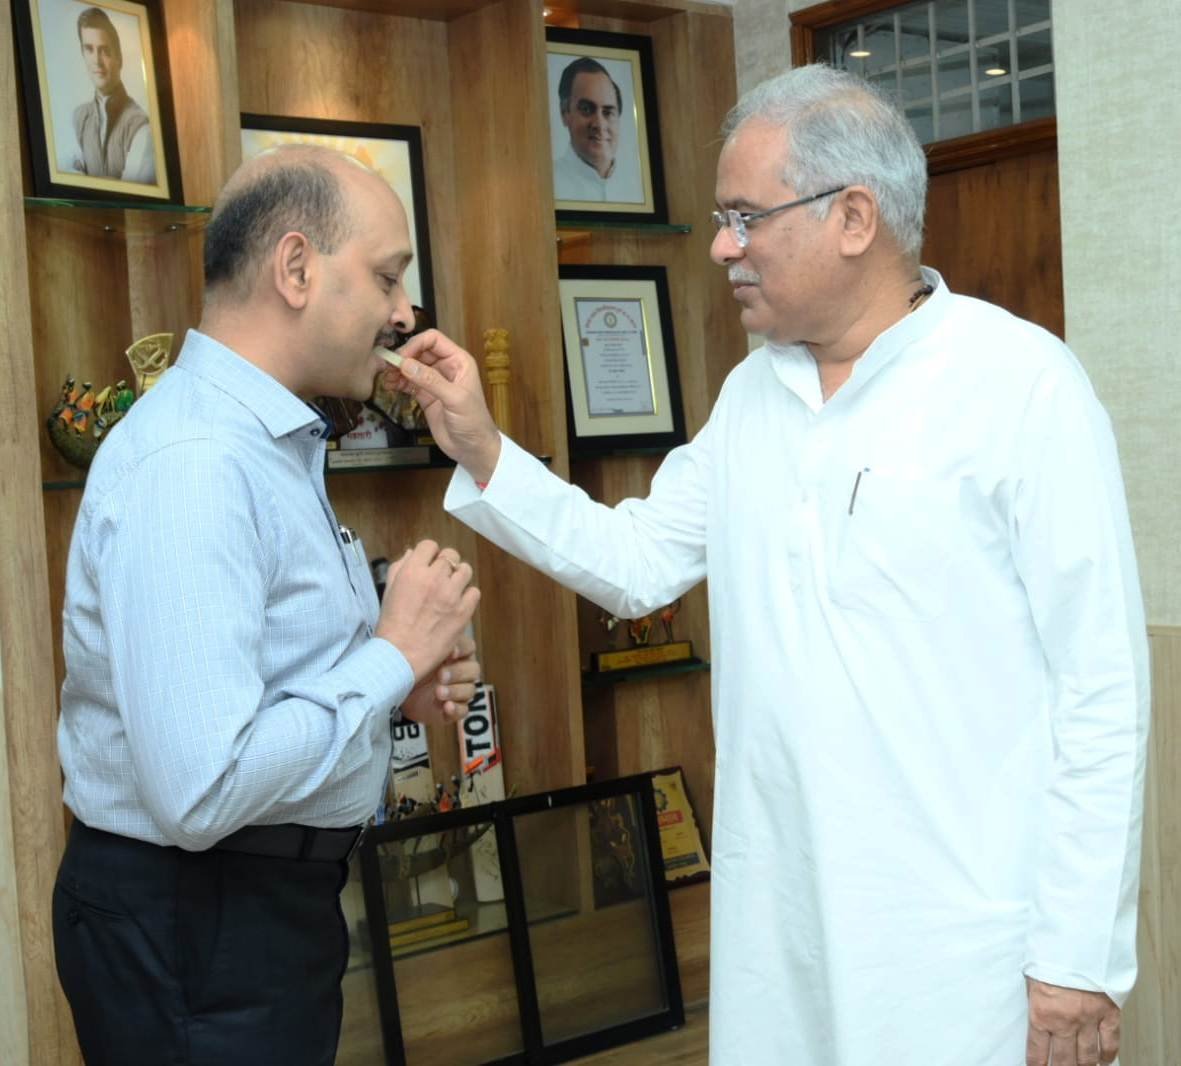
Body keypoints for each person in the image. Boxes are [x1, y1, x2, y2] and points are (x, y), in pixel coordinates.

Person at [385, 65, 1150, 1066]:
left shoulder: (1018, 386)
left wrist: (1077, 958)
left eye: (745, 218)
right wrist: (485, 449)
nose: (720, 247)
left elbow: (1100, 690)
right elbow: (636, 561)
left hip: (959, 947)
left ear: (853, 218)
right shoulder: (755, 394)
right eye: (718, 219)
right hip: (778, 933)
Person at [53, 144, 482, 1066]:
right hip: (197, 924)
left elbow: (268, 682)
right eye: (387, 276)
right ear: (295, 269)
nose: (405, 313)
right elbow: (202, 791)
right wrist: (391, 655)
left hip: (249, 918)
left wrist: (394, 685)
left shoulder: (266, 441)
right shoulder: (196, 463)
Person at [71, 6, 156, 183]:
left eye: (104, 50)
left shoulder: (141, 126)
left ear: (119, 58)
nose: (96, 61)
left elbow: (131, 192)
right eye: (89, 49)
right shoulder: (79, 118)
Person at [553, 56, 632, 202]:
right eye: (586, 109)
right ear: (564, 112)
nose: (599, 124)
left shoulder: (635, 187)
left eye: (607, 112)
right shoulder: (549, 183)